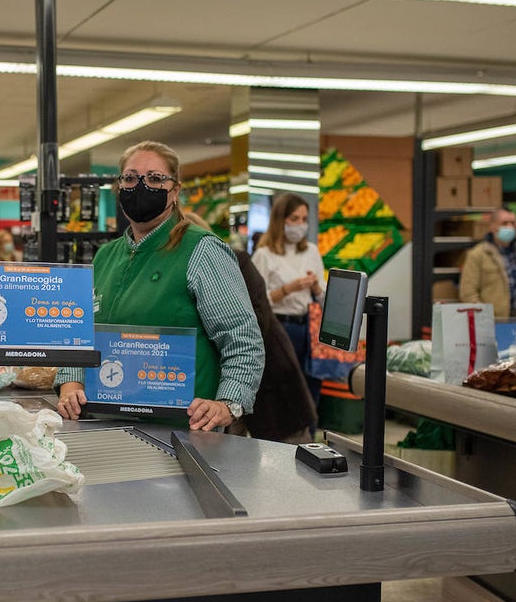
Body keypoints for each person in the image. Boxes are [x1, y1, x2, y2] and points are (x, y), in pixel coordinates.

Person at [55, 141, 264, 431]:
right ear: (119, 188)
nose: (141, 187)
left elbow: (242, 339)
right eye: (130, 178)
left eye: (155, 178)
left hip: (181, 433)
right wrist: (70, 381)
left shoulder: (202, 251)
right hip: (104, 423)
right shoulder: (106, 255)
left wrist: (227, 403)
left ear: (175, 190)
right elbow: (79, 334)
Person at [183, 214, 314, 444]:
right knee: (236, 457)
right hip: (227, 389)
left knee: (289, 452)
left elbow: (253, 326)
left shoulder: (236, 261)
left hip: (270, 377)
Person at [252, 193, 326, 414]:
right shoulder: (264, 255)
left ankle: (309, 436)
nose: (300, 225)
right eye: (294, 219)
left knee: (311, 387)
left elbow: (322, 295)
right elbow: (255, 299)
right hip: (280, 327)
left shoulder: (311, 251)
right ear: (280, 220)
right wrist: (287, 289)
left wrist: (315, 288)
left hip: (308, 327)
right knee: (285, 390)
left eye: (304, 219)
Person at [459, 207, 516, 318]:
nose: (510, 227)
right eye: (504, 223)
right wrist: (484, 316)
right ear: (492, 227)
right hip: (495, 322)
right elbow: (468, 293)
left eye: (513, 223)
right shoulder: (478, 255)